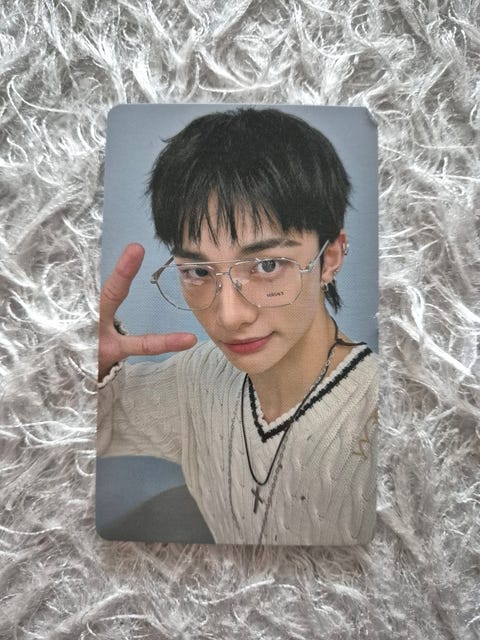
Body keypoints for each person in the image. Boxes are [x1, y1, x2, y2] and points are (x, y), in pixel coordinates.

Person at [97, 107, 377, 546]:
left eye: (267, 265)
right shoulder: (197, 378)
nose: (229, 316)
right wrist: (80, 361)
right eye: (198, 272)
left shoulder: (380, 410)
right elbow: (87, 431)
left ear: (330, 258)